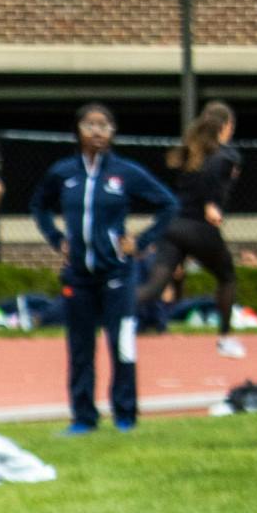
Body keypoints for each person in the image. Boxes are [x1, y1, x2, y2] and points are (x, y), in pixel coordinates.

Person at [30, 102, 177, 434]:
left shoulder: (125, 173)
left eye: (104, 125)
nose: (97, 131)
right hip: (78, 278)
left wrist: (140, 242)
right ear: (78, 130)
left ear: (113, 133)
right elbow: (38, 204)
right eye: (89, 124)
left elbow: (168, 203)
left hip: (117, 276)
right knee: (80, 349)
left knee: (121, 344)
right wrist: (56, 238)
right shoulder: (63, 173)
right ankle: (83, 417)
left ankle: (125, 414)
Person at [142, 101, 244, 358]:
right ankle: (225, 337)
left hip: (173, 226)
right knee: (227, 277)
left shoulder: (190, 152)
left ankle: (115, 318)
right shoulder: (225, 156)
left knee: (154, 286)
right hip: (198, 227)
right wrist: (212, 204)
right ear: (225, 126)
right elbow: (216, 176)